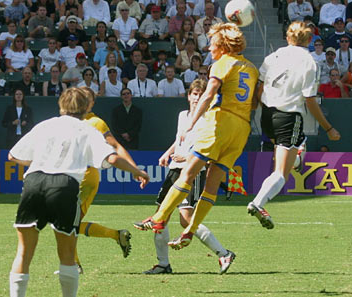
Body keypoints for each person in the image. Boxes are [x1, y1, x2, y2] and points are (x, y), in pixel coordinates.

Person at [7, 87, 148, 297]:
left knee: (24, 253)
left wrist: (38, 162)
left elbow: (13, 156)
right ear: (86, 108)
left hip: (34, 182)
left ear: (61, 105)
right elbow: (111, 158)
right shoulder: (88, 130)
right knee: (66, 254)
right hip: (64, 185)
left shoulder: (45, 125)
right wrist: (137, 171)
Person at [134, 23, 258, 249]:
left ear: (222, 45)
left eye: (212, 44)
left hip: (221, 122)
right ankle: (190, 230)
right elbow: (256, 101)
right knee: (211, 185)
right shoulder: (252, 68)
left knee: (188, 173)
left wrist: (190, 123)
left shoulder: (222, 63)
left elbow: (209, 93)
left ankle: (159, 217)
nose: (209, 49)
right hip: (242, 129)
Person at [248, 21, 340, 230]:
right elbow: (310, 100)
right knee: (281, 172)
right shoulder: (309, 62)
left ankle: (297, 160)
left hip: (267, 115)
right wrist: (328, 128)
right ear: (309, 40)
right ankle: (258, 203)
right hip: (288, 117)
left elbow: (259, 88)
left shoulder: (273, 56)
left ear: (287, 37)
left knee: (293, 152)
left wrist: (253, 110)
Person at [143, 79, 235, 275]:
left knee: (186, 220)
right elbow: (179, 139)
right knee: (161, 216)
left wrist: (187, 157)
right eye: (194, 94)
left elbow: (211, 150)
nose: (197, 98)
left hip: (192, 171)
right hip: (175, 169)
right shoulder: (182, 116)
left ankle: (224, 253)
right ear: (188, 96)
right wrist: (167, 152)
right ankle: (163, 264)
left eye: (201, 95)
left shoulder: (209, 120)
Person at [73, 86, 143, 272]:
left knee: (68, 224)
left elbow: (116, 146)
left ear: (92, 103)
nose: (82, 101)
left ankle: (74, 265)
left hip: (85, 178)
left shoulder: (96, 122)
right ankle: (117, 235)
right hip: (69, 177)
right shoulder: (70, 120)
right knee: (67, 223)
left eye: (86, 99)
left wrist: (134, 168)